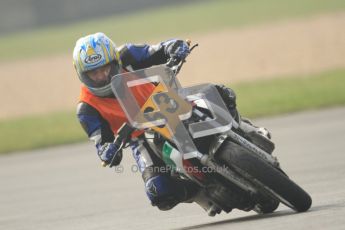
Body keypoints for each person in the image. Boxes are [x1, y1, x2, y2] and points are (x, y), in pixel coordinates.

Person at [73, 32, 271, 211]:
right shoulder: (86, 108)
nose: (101, 76)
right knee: (159, 192)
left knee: (220, 92)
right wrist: (107, 151)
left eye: (105, 68)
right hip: (139, 136)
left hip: (166, 102)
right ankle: (202, 194)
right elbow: (101, 142)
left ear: (114, 61)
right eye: (93, 73)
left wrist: (173, 48)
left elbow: (156, 50)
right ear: (83, 75)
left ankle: (246, 130)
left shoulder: (127, 54)